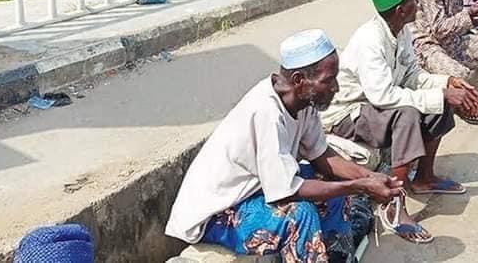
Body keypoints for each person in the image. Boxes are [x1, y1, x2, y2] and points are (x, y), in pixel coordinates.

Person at [165, 29, 403, 262]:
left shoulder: (304, 102)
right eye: (328, 81)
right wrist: (359, 186)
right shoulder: (266, 112)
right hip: (217, 213)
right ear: (300, 80)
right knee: (299, 216)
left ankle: (336, 256)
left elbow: (323, 156)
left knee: (332, 187)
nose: (336, 88)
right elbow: (290, 190)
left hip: (255, 191)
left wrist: (369, 176)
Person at [320, 0, 478, 244]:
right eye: (412, 0)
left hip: (375, 107)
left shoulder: (401, 31)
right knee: (407, 114)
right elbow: (382, 97)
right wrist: (440, 94)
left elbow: (412, 76)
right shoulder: (370, 40)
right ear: (399, 9)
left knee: (439, 103)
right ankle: (393, 206)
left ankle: (423, 178)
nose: (417, 3)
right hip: (347, 114)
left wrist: (448, 82)